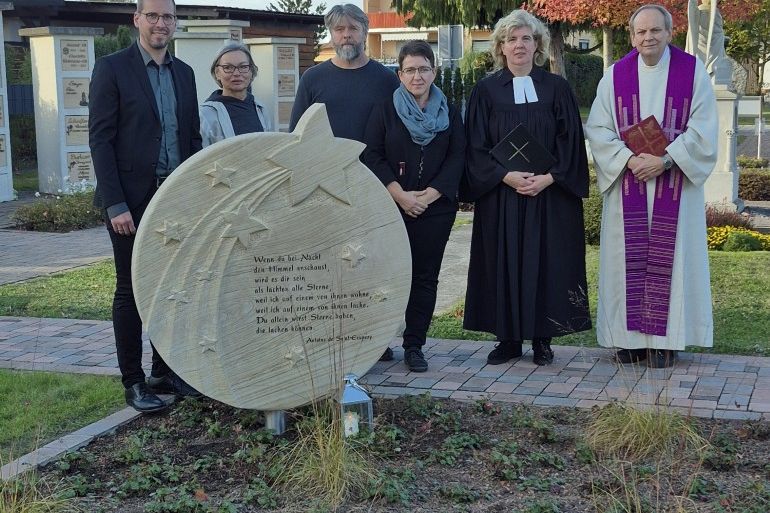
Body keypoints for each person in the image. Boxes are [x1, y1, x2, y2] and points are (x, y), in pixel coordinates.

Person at [585, 5, 718, 368]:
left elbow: (703, 129)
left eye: (655, 31)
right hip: (629, 184)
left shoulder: (693, 75)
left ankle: (665, 342)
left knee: (669, 261)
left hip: (674, 185)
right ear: (631, 36)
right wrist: (629, 160)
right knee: (625, 262)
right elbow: (598, 129)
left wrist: (666, 159)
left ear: (669, 31)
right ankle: (627, 342)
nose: (648, 38)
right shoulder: (615, 76)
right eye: (641, 32)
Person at [89, 0, 203, 412]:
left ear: (175, 23)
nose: (160, 23)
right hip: (131, 203)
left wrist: (194, 194)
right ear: (136, 19)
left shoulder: (185, 74)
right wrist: (115, 203)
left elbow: (192, 140)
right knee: (132, 289)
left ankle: (163, 370)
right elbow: (100, 140)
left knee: (172, 287)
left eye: (168, 16)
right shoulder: (112, 69)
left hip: (175, 199)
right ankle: (133, 382)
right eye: (152, 15)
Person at [462, 9, 591, 366]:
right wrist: (506, 175)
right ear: (500, 47)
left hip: (548, 195)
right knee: (503, 262)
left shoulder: (557, 88)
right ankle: (508, 339)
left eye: (526, 38)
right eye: (511, 39)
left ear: (538, 45)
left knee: (546, 262)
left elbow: (571, 143)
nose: (519, 45)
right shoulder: (485, 91)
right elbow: (474, 145)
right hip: (502, 195)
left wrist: (549, 178)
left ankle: (542, 339)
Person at [289, 3, 399, 361]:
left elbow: (395, 132)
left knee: (370, 264)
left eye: (352, 28)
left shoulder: (385, 79)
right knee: (328, 263)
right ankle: (331, 334)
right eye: (339, 30)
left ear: (365, 32)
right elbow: (296, 136)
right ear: (331, 35)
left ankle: (373, 337)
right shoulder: (313, 79)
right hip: (322, 188)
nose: (346, 36)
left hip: (372, 185)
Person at [362, 41, 465, 372]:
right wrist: (401, 195)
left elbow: (458, 157)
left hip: (435, 209)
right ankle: (378, 343)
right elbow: (372, 155)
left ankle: (414, 345)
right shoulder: (384, 110)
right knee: (384, 276)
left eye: (423, 69)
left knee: (424, 277)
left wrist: (430, 195)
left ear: (433, 72)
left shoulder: (449, 111)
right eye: (410, 70)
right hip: (390, 206)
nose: (417, 76)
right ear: (399, 74)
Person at [200, 41, 272, 147]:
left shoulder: (261, 109)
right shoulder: (206, 115)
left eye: (243, 67)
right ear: (217, 73)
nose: (237, 73)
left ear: (251, 71)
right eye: (228, 67)